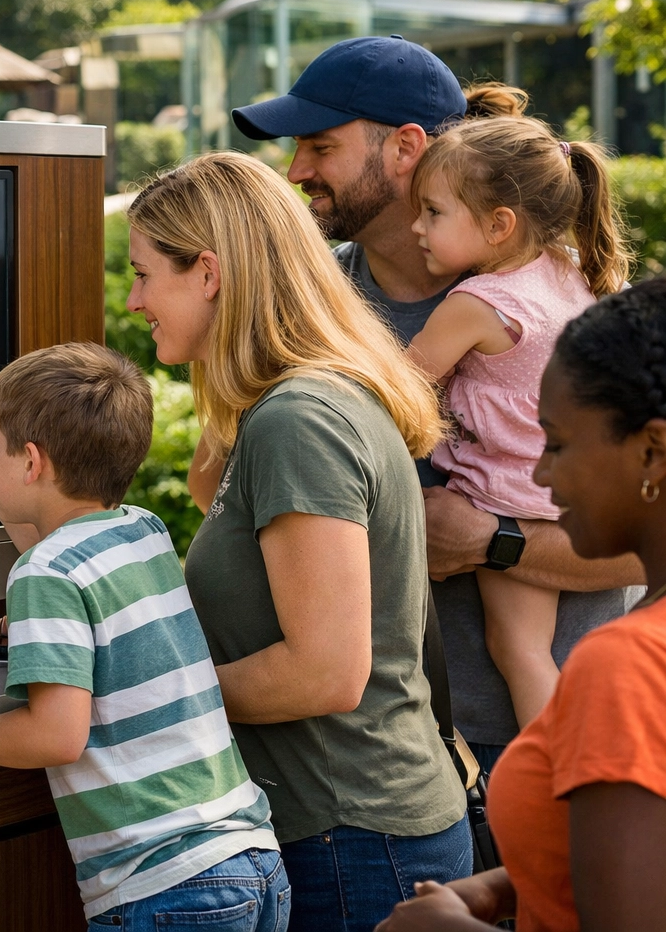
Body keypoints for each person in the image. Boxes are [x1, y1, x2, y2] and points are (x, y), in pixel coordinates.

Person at [229, 35, 645, 772]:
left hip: (565, 740)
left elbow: (653, 534)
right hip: (381, 757)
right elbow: (235, 499)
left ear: (406, 147)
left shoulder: (576, 301)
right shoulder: (303, 307)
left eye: (319, 147)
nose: (295, 172)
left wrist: (495, 541)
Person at [125, 151, 468, 931]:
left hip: (351, 842)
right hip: (361, 831)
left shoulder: (298, 418)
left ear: (208, 272)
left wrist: (134, 693)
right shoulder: (295, 401)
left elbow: (323, 674)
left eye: (146, 275)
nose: (138, 299)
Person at [0, 342, 289, 931]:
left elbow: (55, 736)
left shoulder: (44, 573)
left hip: (162, 885)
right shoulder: (140, 530)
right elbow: (66, 561)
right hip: (249, 855)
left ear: (31, 462)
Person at [377, 278, 666, 932]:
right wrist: (520, 883)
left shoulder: (625, 663)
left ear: (651, 450)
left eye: (556, 444)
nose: (538, 476)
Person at [405, 116, 631, 727]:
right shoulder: (569, 268)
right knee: (533, 649)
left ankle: (552, 779)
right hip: (566, 486)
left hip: (507, 495)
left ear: (499, 224)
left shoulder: (477, 305)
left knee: (520, 648)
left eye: (433, 212)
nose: (417, 227)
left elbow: (401, 386)